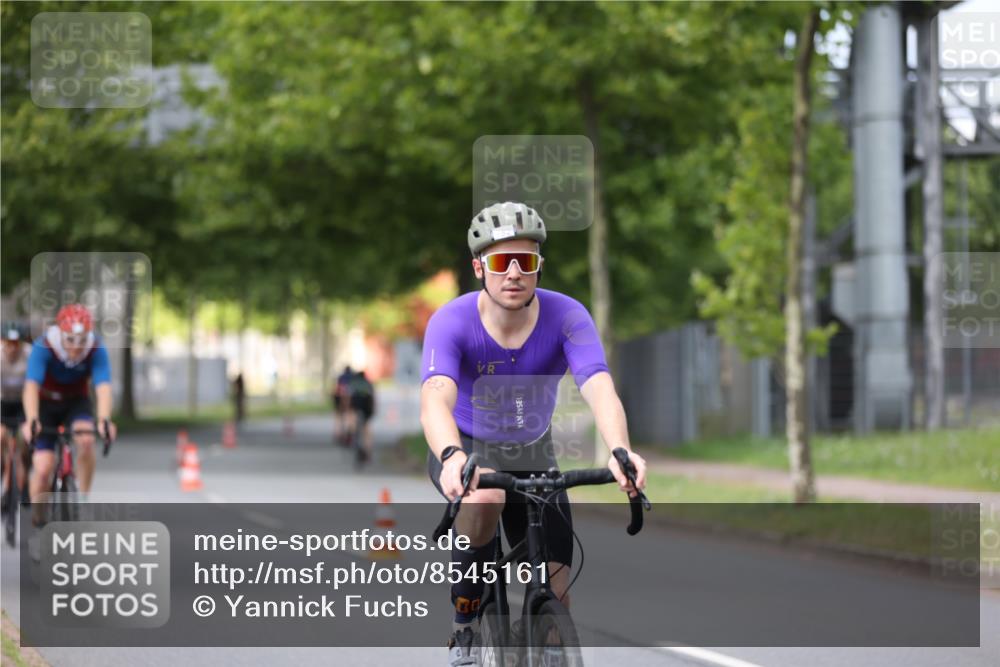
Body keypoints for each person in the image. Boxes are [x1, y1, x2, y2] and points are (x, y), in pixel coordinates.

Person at [420, 201, 647, 666]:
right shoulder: (452, 321)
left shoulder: (567, 317)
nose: (515, 273)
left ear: (539, 266)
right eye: (503, 262)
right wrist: (450, 456)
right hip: (466, 446)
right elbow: (435, 397)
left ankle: (542, 632)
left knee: (557, 592)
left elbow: (598, 386)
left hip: (532, 449)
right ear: (479, 266)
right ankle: (465, 625)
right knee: (483, 500)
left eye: (528, 261)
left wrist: (621, 449)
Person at [20, 304, 117, 532]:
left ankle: (83, 501)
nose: (75, 346)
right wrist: (32, 419)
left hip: (76, 401)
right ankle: (38, 521)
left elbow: (103, 387)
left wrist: (104, 419)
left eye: (81, 340)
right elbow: (31, 386)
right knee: (43, 468)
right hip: (45, 403)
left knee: (86, 440)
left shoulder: (95, 347)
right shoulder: (44, 346)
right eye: (70, 339)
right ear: (61, 333)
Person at [1, 324, 31, 514]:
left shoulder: (29, 355)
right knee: (1, 436)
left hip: (22, 404)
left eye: (16, 344)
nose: (12, 348)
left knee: (24, 440)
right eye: (8, 343)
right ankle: (4, 472)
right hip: (2, 402)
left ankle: (24, 483)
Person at [347, 369, 376, 462]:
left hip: (355, 406)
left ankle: (351, 433)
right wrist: (373, 409)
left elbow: (349, 396)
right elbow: (373, 398)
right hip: (366, 408)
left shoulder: (353, 384)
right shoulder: (368, 384)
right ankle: (368, 449)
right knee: (367, 430)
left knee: (352, 419)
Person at [332, 365, 354, 445]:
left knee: (339, 416)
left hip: (340, 397)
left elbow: (337, 389)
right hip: (351, 398)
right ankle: (350, 432)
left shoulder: (341, 378)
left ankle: (339, 433)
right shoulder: (353, 377)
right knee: (351, 415)